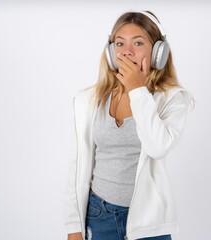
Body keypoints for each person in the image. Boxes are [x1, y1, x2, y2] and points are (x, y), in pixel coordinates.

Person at [64, 10, 193, 240]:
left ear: (158, 53)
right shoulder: (91, 99)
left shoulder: (173, 99)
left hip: (148, 223)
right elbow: (77, 166)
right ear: (111, 52)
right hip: (98, 215)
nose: (127, 51)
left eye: (138, 42)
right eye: (120, 43)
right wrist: (74, 226)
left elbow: (157, 147)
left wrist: (138, 90)